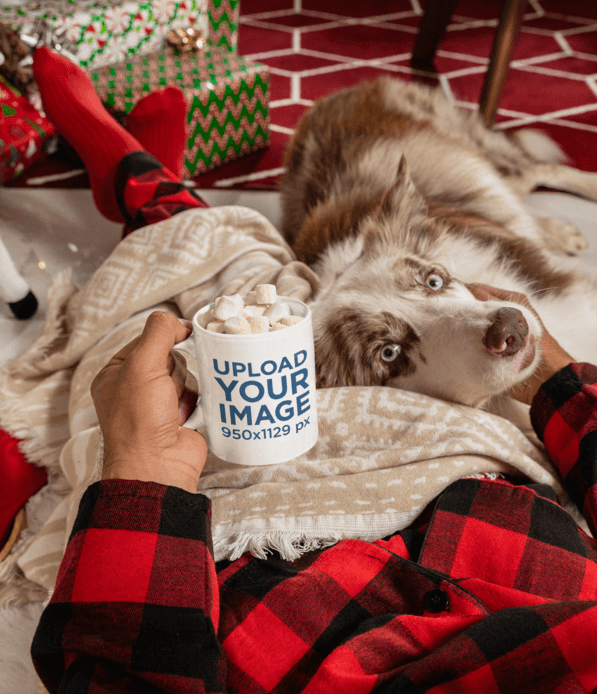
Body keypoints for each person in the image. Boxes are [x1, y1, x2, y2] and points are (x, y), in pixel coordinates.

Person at [29, 48, 597, 693]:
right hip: (487, 471)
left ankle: (140, 177)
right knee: (249, 296)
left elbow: (111, 674)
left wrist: (140, 475)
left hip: (242, 541)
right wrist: (560, 381)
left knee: (163, 328)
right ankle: (144, 177)